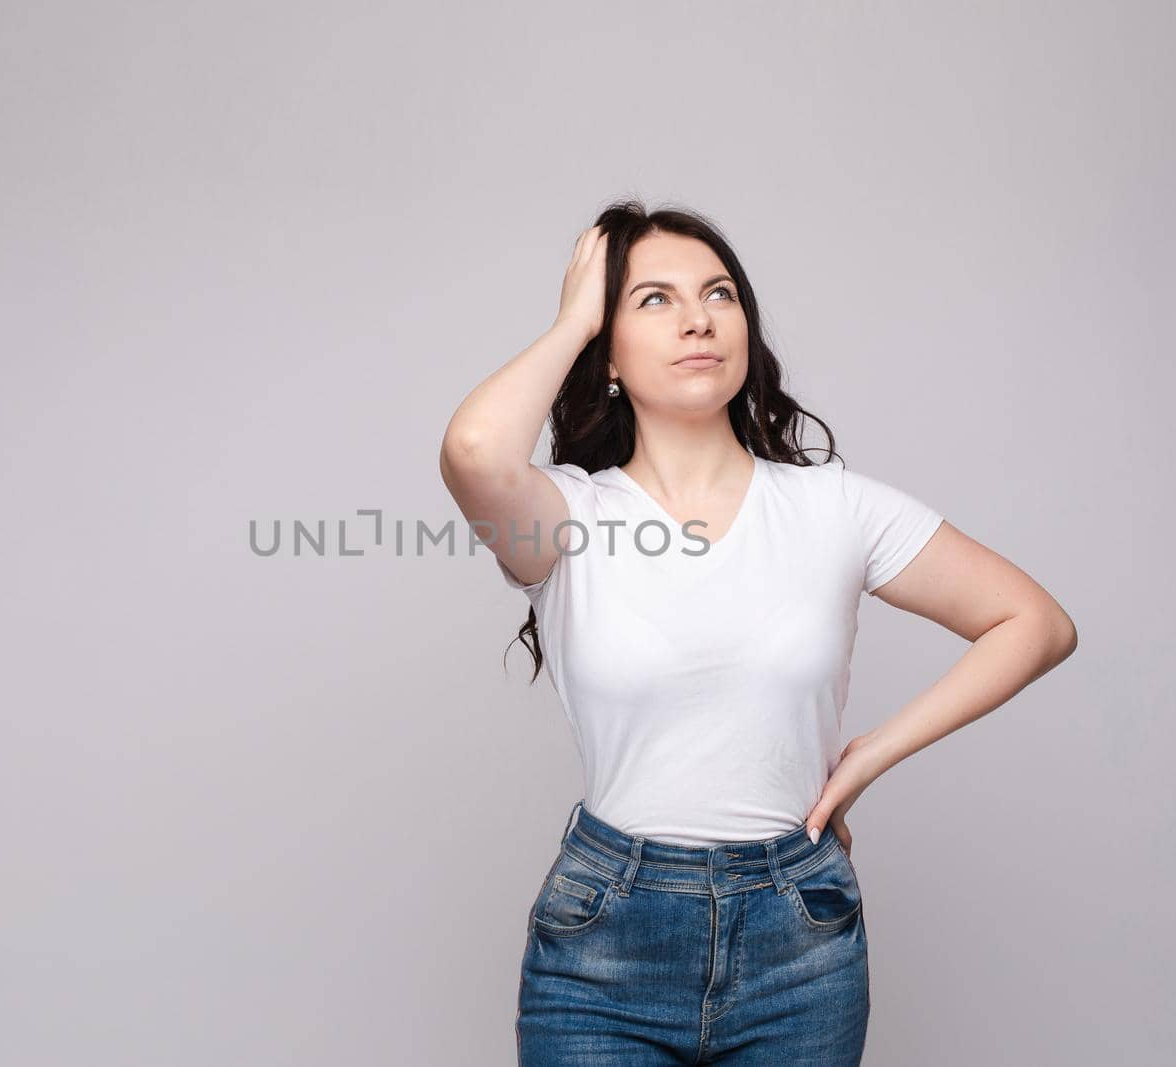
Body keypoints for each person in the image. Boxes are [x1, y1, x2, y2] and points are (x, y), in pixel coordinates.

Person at [438, 201, 1079, 1065]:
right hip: (604, 941)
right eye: (654, 300)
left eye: (720, 293)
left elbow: (1035, 623)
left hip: (799, 939)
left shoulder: (837, 508)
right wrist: (572, 320)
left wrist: (866, 756)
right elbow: (475, 449)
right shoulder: (565, 519)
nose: (699, 317)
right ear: (609, 353)